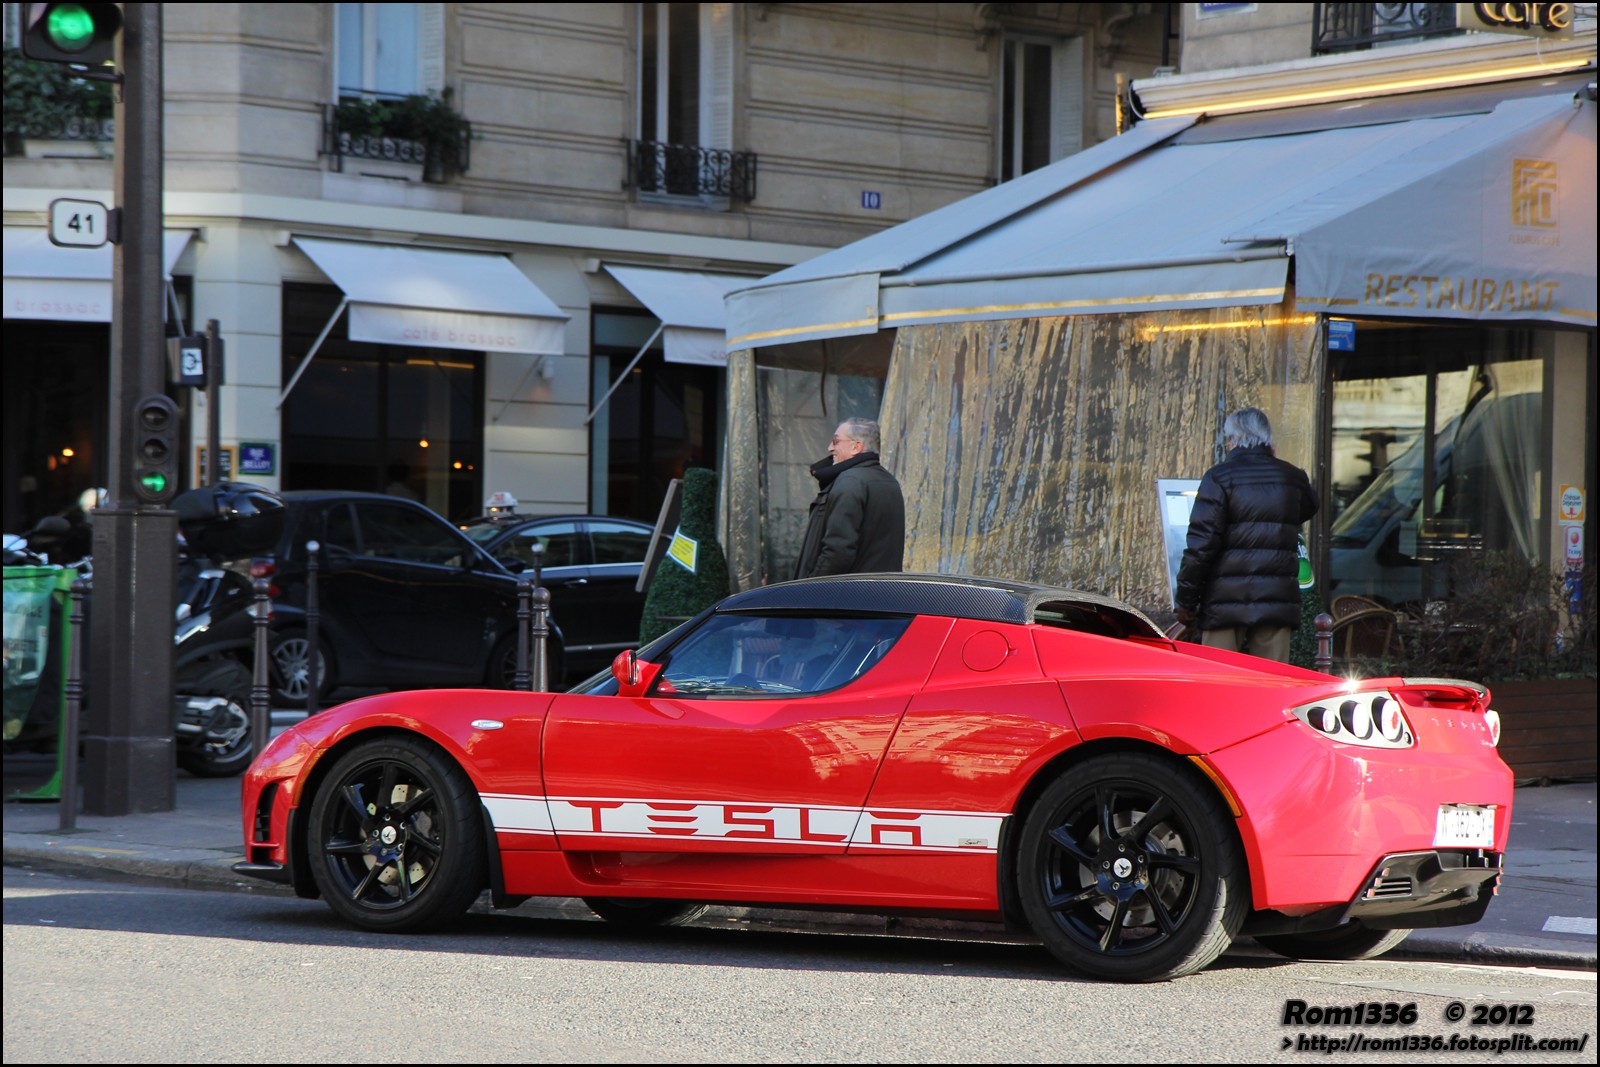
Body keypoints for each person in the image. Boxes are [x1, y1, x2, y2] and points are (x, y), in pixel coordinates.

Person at [1174, 407, 1317, 662]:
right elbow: (1308, 508)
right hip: (1277, 601)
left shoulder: (1218, 478)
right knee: (1273, 688)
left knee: (1219, 687)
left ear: (1232, 440)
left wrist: (1185, 601)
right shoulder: (1293, 478)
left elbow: (1201, 546)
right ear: (1268, 440)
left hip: (1223, 603)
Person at [794, 417, 905, 579]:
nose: (830, 448)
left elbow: (837, 551)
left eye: (836, 441)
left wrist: (810, 588)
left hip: (845, 597)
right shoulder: (888, 481)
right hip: (879, 594)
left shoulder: (850, 481)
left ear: (855, 447)